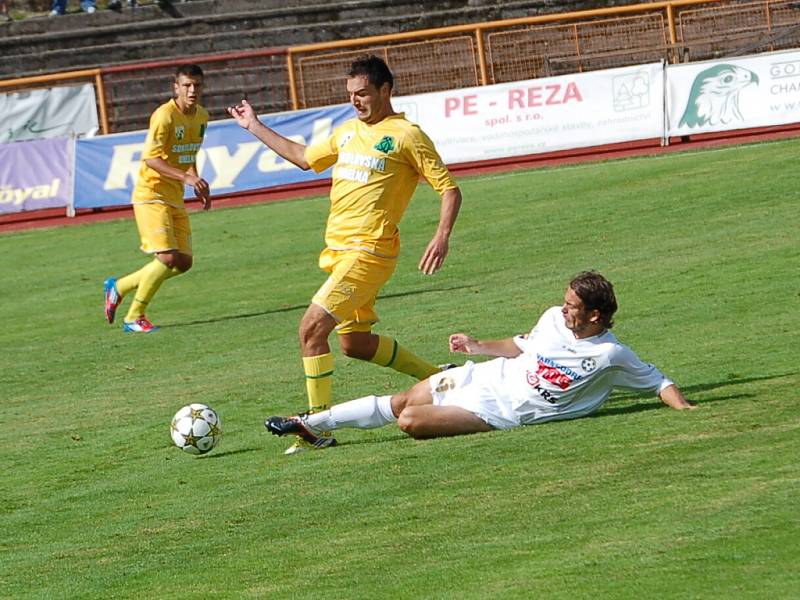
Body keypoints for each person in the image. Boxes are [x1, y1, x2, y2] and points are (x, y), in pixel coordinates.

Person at [227, 54, 463, 454]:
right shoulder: (348, 132)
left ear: (386, 90)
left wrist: (441, 237)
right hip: (338, 254)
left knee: (310, 330)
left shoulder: (406, 135)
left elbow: (449, 189)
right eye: (350, 94)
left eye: (363, 93)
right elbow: (304, 158)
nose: (355, 101)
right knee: (356, 344)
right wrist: (254, 126)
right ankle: (444, 380)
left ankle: (313, 424)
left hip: (368, 252)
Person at [266, 271, 696, 447]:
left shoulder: (610, 355)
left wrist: (688, 410)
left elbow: (658, 382)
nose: (563, 309)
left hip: (500, 411)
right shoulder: (551, 320)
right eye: (564, 303)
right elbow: (518, 345)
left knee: (410, 421)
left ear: (595, 315)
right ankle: (311, 424)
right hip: (485, 377)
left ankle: (318, 424)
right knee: (401, 401)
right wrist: (476, 346)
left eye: (571, 306)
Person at [103, 63, 210, 333]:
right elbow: (151, 159)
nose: (192, 90)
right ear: (176, 87)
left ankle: (119, 287)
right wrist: (186, 178)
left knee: (184, 262)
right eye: (186, 85)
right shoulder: (164, 116)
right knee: (167, 258)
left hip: (174, 196)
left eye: (196, 84)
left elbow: (188, 153)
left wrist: (196, 180)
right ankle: (133, 317)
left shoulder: (201, 117)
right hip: (151, 195)